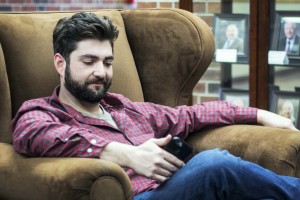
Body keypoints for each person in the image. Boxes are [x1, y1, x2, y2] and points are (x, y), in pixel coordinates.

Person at [12, 12, 300, 200]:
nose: (101, 71)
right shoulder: (41, 112)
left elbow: (190, 115)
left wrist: (262, 114)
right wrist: (126, 155)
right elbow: (34, 135)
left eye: (108, 62)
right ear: (60, 63)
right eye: (89, 62)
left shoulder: (122, 107)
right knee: (214, 163)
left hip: (174, 188)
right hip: (137, 197)